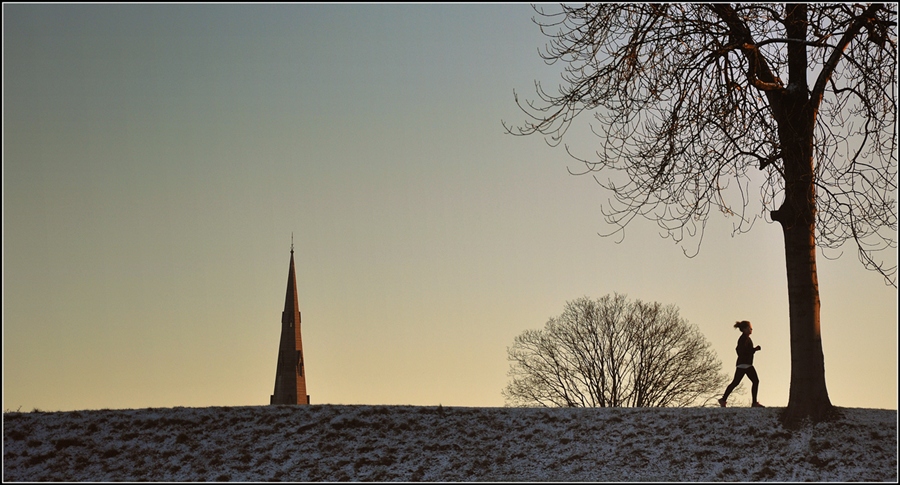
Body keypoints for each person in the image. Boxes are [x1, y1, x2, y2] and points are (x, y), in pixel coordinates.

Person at [718, 320, 764, 408]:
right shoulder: (744, 338)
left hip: (744, 364)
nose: (751, 329)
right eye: (750, 328)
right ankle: (754, 403)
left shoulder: (745, 338)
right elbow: (740, 350)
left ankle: (723, 400)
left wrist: (753, 350)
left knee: (736, 382)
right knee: (755, 381)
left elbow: (742, 350)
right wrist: (755, 349)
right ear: (745, 329)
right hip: (745, 364)